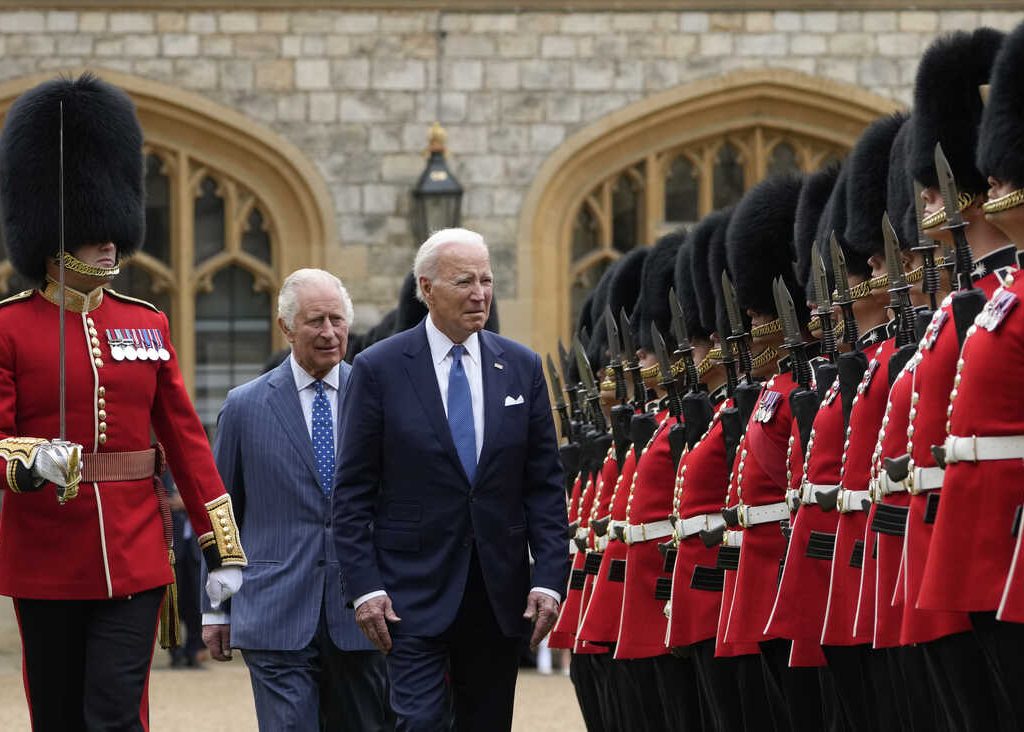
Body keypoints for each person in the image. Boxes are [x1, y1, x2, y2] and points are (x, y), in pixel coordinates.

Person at [0, 73, 246, 730]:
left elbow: (188, 442)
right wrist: (29, 460)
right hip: (45, 551)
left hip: (136, 550)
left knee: (115, 713)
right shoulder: (10, 327)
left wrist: (223, 549)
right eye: (92, 229)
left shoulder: (147, 323)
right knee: (57, 715)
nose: (110, 239)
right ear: (55, 232)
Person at [333, 228, 569, 730]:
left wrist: (549, 578)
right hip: (407, 594)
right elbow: (351, 492)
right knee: (418, 723)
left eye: (486, 280)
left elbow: (544, 485)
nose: (480, 293)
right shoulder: (379, 368)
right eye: (464, 281)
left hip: (496, 592)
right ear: (427, 288)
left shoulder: (521, 367)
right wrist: (365, 587)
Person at [202, 268, 393, 731]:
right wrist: (215, 607)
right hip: (275, 609)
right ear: (286, 327)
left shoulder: (382, 399)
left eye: (337, 320)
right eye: (315, 321)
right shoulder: (245, 407)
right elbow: (222, 516)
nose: (329, 332)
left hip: (362, 611)